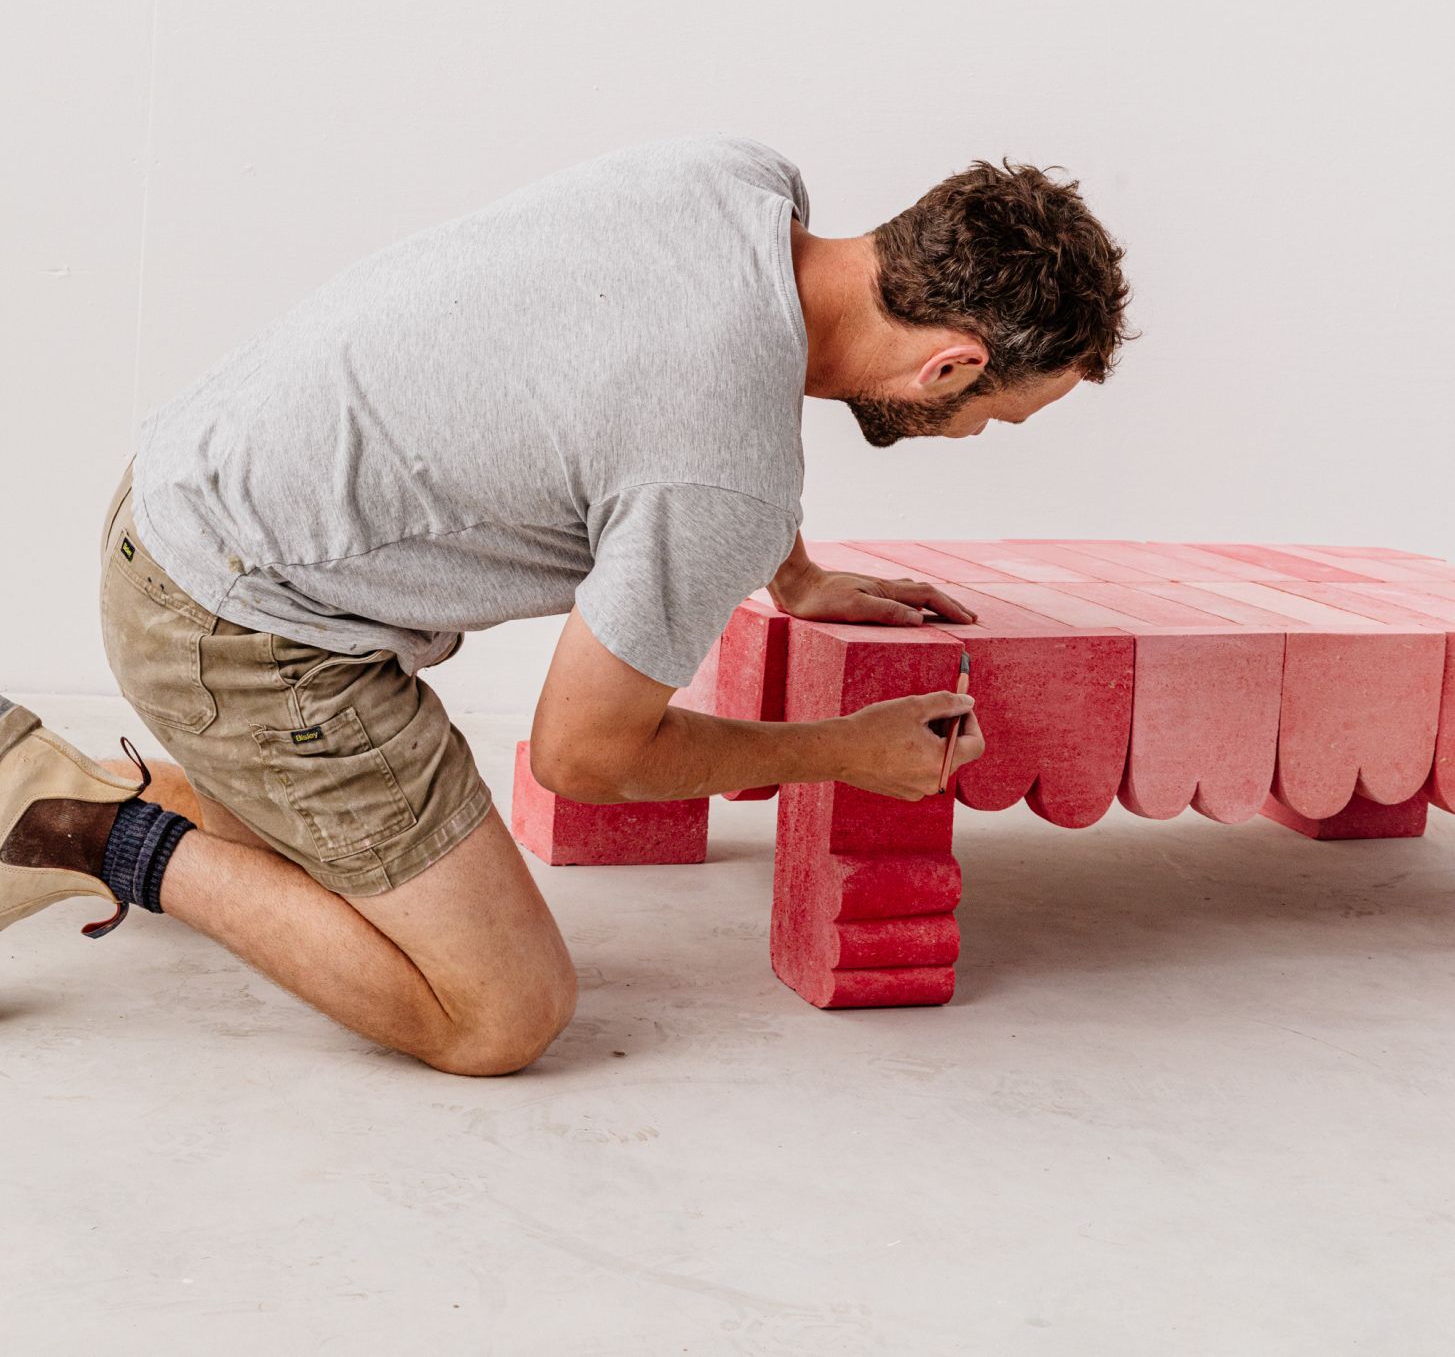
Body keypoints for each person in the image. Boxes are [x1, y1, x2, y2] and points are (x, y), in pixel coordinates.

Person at [0, 137, 1131, 1074]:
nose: (975, 434)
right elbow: (583, 755)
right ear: (949, 365)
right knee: (499, 1014)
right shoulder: (723, 480)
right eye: (996, 416)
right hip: (244, 633)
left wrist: (790, 572)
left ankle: (50, 793)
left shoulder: (735, 183)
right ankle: (89, 824)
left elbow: (679, 393)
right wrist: (843, 749)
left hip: (172, 503)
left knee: (317, 874)